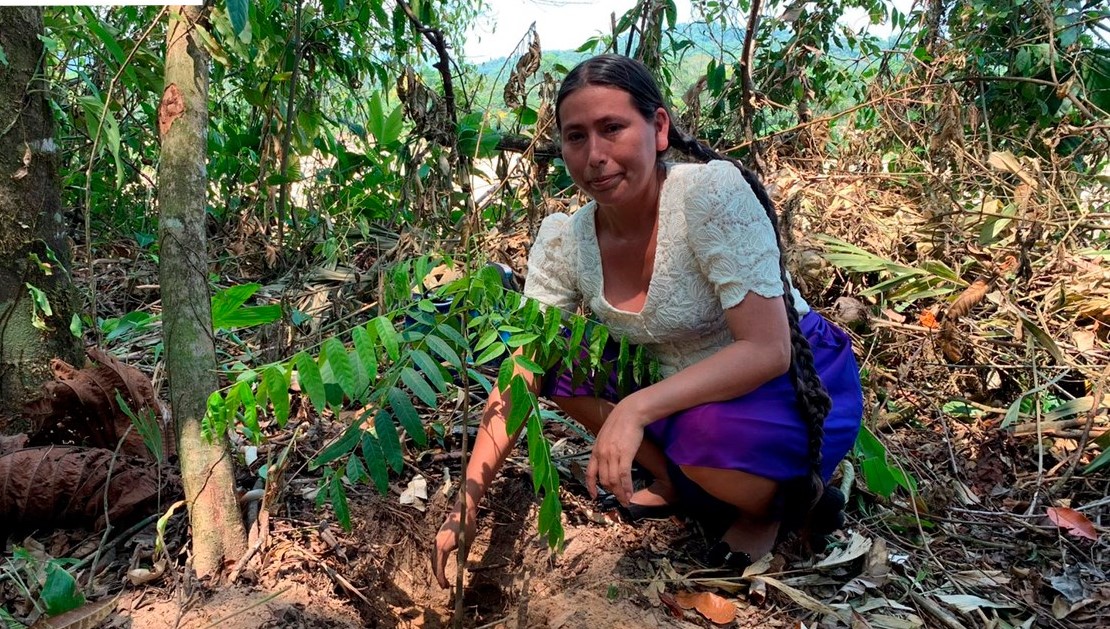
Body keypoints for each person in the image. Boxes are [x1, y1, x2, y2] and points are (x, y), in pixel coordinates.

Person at [431, 54, 863, 588]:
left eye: (612, 128)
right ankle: (676, 481)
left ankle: (770, 509)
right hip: (670, 383)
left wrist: (634, 410)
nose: (595, 156)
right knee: (551, 356)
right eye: (575, 137)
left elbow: (768, 349)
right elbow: (523, 369)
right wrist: (468, 500)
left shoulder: (708, 196)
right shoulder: (566, 239)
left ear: (658, 128)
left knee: (706, 437)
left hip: (786, 381)